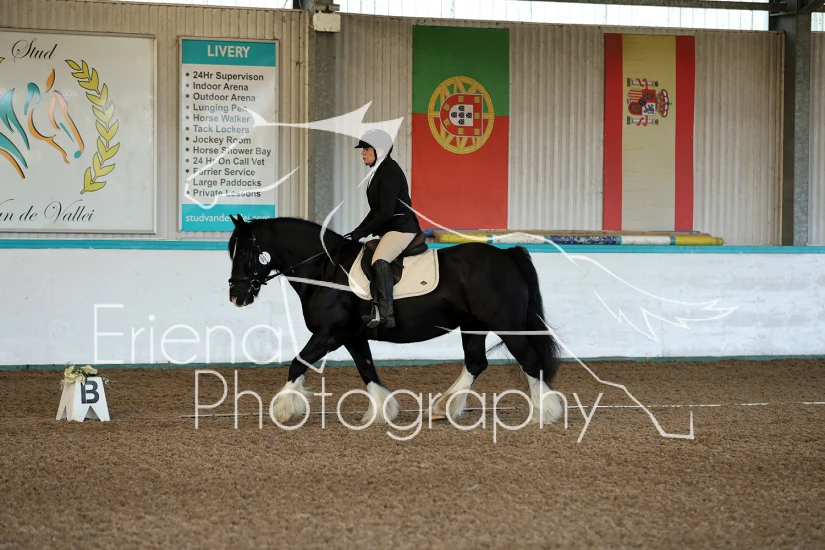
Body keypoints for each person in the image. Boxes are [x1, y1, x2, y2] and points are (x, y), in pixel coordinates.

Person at [348, 129, 422, 329]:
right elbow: (376, 211)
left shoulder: (389, 171)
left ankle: (387, 313)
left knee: (379, 260)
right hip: (391, 228)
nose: (362, 153)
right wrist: (357, 230)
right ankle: (373, 306)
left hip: (402, 228)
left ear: (379, 150)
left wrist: (362, 232)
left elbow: (386, 213)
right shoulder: (379, 170)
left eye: (366, 149)